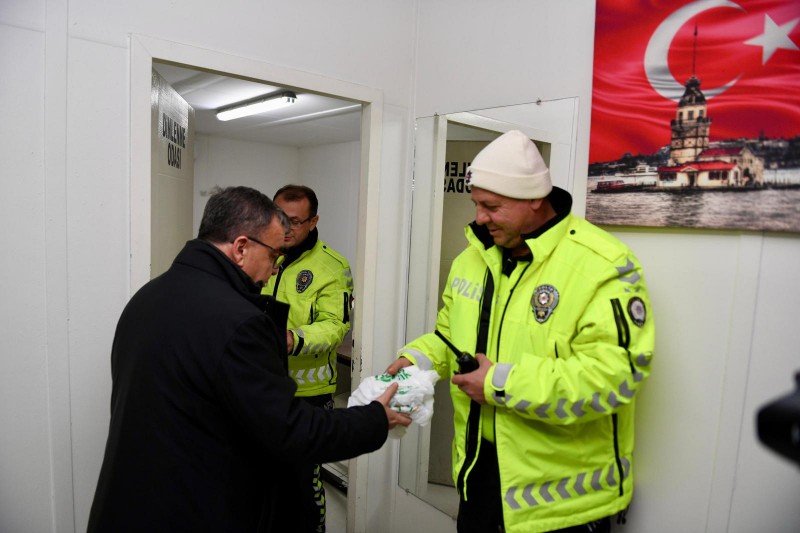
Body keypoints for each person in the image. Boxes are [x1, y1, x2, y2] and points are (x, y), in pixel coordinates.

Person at [88, 186, 410, 533]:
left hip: (130, 504)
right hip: (189, 511)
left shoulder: (147, 297)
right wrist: (374, 418)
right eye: (273, 255)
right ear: (241, 248)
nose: (273, 270)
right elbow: (292, 431)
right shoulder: (239, 323)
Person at [387, 130, 655, 533]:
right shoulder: (471, 259)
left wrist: (499, 383)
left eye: (491, 206)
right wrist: (415, 360)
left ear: (534, 198)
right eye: (476, 204)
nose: (479, 218)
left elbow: (616, 377)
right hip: (477, 478)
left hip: (561, 504)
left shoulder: (604, 265)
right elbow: (448, 337)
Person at [261, 184, 353, 532]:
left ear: (313, 221)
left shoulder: (332, 266)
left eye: (295, 221)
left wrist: (293, 339)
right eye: (279, 217)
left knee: (302, 485)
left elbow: (335, 326)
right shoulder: (260, 251)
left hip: (307, 395)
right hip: (260, 386)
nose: (285, 228)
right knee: (260, 478)